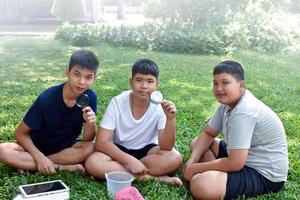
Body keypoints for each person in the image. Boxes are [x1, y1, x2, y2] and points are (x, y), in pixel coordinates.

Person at [183, 60, 288, 199]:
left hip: (263, 174)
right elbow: (208, 133)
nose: (219, 88)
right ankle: (214, 171)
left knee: (200, 184)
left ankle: (212, 174)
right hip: (239, 156)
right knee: (197, 143)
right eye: (215, 83)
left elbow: (235, 163)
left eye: (225, 83)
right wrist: (191, 161)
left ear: (241, 85)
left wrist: (195, 169)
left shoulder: (245, 111)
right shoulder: (227, 104)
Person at [85, 58, 183, 186]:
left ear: (156, 85)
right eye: (138, 80)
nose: (144, 86)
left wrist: (170, 119)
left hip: (147, 151)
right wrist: (130, 161)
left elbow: (166, 147)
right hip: (118, 150)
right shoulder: (117, 102)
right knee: (93, 163)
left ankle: (119, 172)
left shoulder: (161, 106)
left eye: (150, 81)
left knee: (175, 158)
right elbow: (101, 142)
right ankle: (153, 178)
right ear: (131, 82)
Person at [0, 50, 100, 174]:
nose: (81, 82)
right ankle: (62, 167)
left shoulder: (90, 98)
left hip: (65, 148)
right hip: (36, 146)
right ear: (67, 73)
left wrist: (90, 124)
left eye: (88, 77)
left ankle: (34, 165)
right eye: (77, 74)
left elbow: (87, 140)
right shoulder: (47, 99)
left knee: (92, 147)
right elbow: (20, 134)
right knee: (3, 150)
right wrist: (38, 156)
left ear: (94, 78)